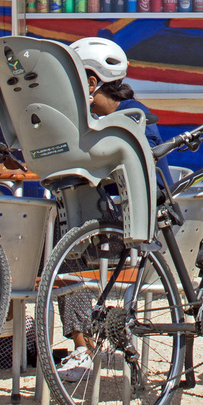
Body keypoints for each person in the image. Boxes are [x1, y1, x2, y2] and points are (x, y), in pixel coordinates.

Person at [56, 36, 160, 381]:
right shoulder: (95, 123)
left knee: (67, 240)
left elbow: (147, 180)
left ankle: (82, 348)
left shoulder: (136, 122)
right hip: (116, 233)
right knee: (66, 226)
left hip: (136, 233)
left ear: (90, 83)